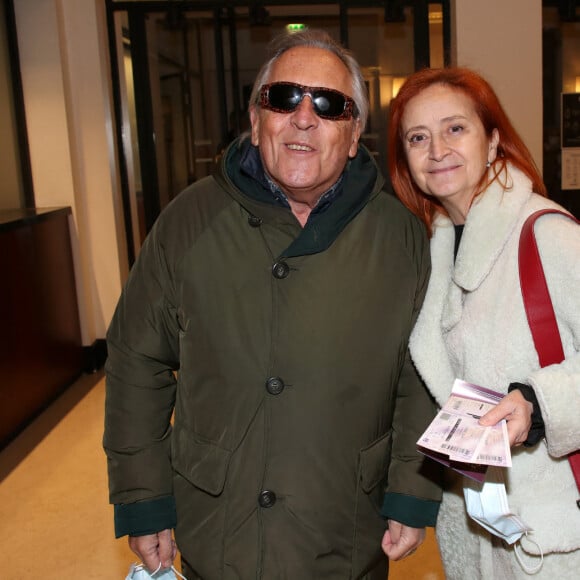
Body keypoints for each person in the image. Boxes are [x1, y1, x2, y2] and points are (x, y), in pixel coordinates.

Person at [104, 28, 441, 580]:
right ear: (256, 119)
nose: (304, 117)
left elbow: (420, 377)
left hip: (344, 532)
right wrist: (143, 500)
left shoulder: (402, 238)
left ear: (355, 135)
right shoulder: (187, 222)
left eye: (330, 105)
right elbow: (135, 361)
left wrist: (411, 488)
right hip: (216, 527)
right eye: (284, 98)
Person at [388, 66, 580, 578]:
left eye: (455, 128)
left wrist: (540, 404)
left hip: (555, 542)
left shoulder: (546, 234)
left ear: (493, 141)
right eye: (418, 137)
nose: (437, 150)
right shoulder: (437, 250)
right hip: (480, 535)